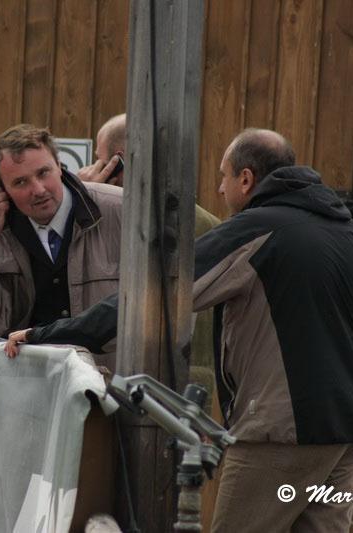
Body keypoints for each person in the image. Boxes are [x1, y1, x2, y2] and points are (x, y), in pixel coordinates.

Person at [5, 128, 353, 532]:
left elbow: (156, 297)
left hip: (280, 431)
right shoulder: (352, 234)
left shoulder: (254, 230)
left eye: (224, 176)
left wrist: (50, 333)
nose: (220, 188)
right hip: (352, 430)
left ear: (246, 179)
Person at [0, 124, 123, 365]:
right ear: (3, 190)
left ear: (59, 166)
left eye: (43, 173)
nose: (38, 190)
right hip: (28, 381)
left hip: (108, 381)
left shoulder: (120, 210)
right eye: (20, 182)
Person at [78, 113, 222, 397]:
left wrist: (87, 197)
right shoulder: (210, 224)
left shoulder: (125, 223)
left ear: (117, 162)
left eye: (99, 159)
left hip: (130, 380)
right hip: (196, 383)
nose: (93, 168)